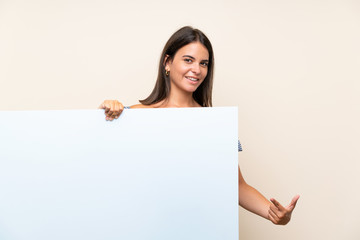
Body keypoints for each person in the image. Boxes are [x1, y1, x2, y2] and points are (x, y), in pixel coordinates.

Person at [99, 26, 300, 225]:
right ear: (167, 62)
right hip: (143, 227)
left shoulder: (215, 124)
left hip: (198, 228)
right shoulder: (135, 116)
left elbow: (236, 186)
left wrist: (273, 213)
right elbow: (107, 172)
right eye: (188, 60)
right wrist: (105, 113)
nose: (196, 69)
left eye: (203, 63)